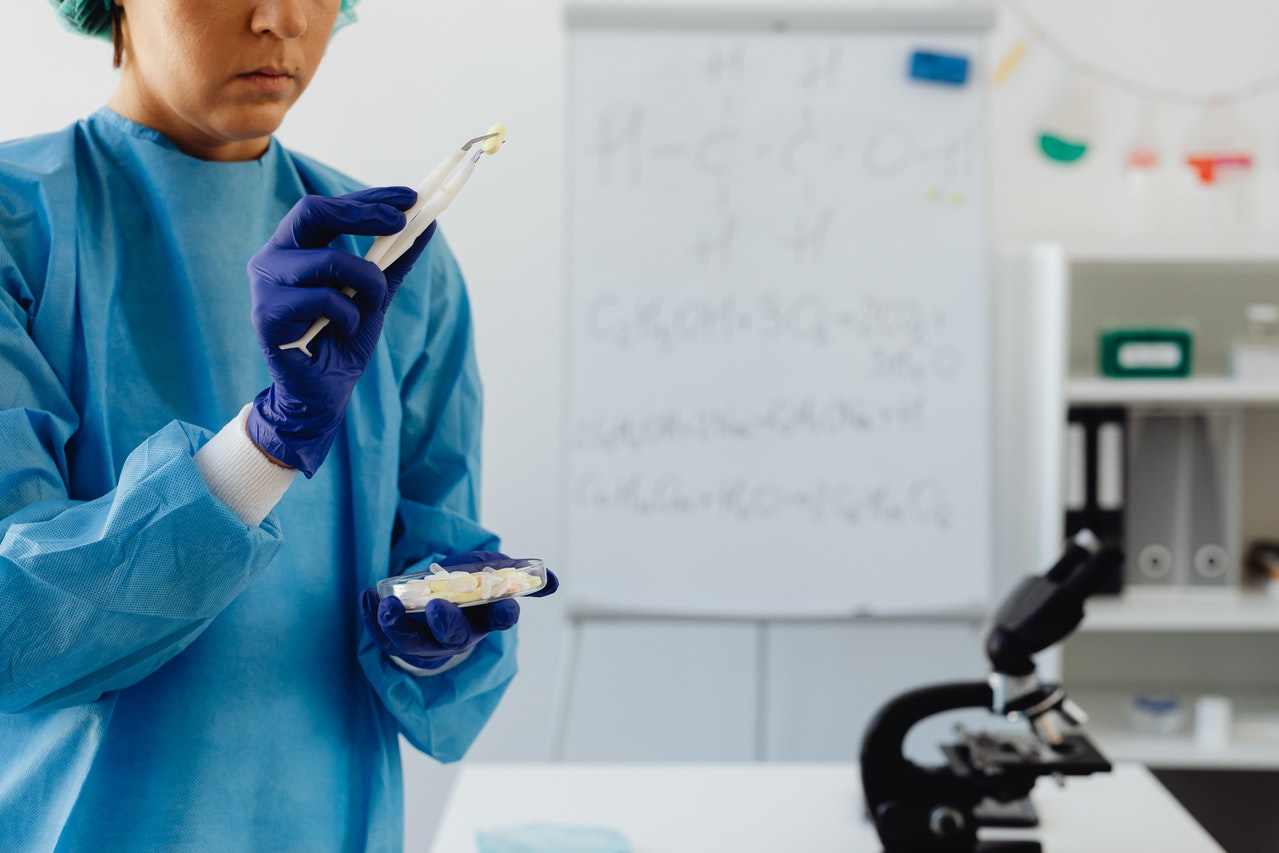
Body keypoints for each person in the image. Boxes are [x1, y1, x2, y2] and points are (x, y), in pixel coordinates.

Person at [0, 1, 556, 849]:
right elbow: (16, 632)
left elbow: (438, 555)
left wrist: (434, 633)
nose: (282, 18)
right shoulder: (20, 230)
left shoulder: (393, 263)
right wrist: (262, 448)